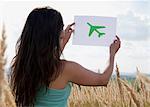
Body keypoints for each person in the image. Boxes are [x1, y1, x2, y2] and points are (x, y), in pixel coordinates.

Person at [10, 7, 121, 107]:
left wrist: (63, 43)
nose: (63, 33)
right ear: (53, 35)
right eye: (61, 28)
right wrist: (112, 54)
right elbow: (103, 79)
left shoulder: (22, 66)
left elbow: (46, 62)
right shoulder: (65, 69)